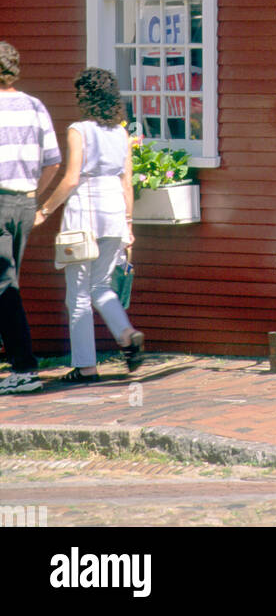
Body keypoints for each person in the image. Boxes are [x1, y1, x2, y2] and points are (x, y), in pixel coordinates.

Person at [32, 68, 144, 381]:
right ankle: (125, 333)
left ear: (86, 98)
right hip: (114, 210)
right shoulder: (121, 133)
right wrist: (129, 224)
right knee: (101, 285)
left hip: (85, 209)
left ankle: (85, 365)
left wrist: (45, 210)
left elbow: (70, 178)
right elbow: (127, 182)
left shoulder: (78, 130)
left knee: (78, 293)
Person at [0, 42, 62, 395]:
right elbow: (53, 161)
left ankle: (24, 367)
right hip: (24, 202)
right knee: (8, 282)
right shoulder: (35, 106)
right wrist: (33, 195)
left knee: (4, 285)